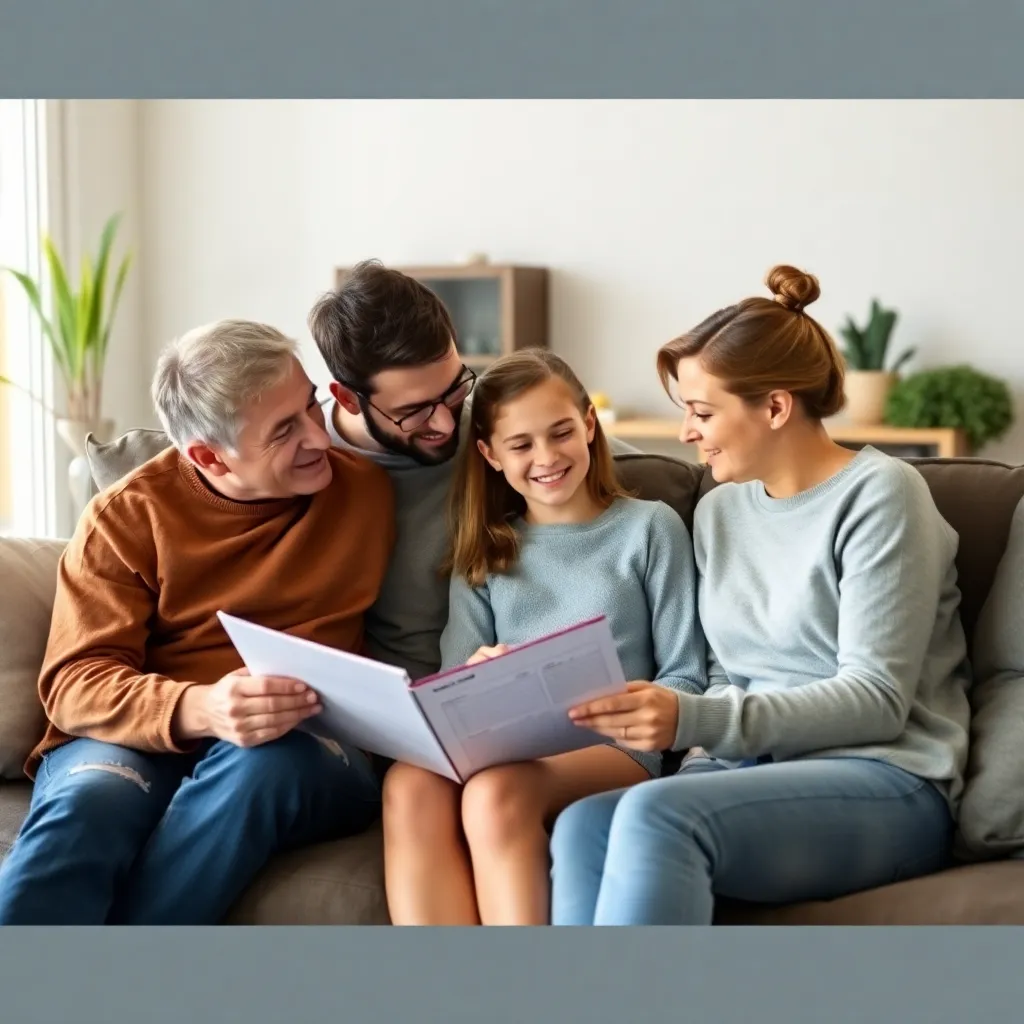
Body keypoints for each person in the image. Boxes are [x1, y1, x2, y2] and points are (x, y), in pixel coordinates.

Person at [548, 265, 974, 926]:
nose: (687, 432)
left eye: (702, 412)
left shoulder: (881, 495)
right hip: (750, 771)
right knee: (585, 825)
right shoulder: (720, 512)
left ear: (775, 407)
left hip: (886, 778)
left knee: (658, 815)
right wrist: (698, 762)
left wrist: (690, 720)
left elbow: (877, 700)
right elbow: (728, 675)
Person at [0, 320, 395, 925]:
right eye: (284, 430)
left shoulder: (364, 490)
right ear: (209, 456)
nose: (319, 437)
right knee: (91, 799)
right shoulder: (127, 516)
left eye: (311, 405)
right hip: (137, 740)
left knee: (263, 765)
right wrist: (203, 707)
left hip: (303, 750)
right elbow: (74, 684)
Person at [381, 349, 709, 925]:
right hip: (506, 743)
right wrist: (478, 674)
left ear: (589, 425)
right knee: (409, 784)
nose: (547, 457)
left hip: (615, 747)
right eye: (521, 445)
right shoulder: (485, 551)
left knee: (494, 793)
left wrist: (631, 704)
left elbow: (685, 672)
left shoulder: (649, 528)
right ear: (490, 455)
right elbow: (451, 686)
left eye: (561, 433)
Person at [307, 259, 637, 684]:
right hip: (379, 699)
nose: (448, 424)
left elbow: (606, 459)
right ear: (348, 399)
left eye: (453, 390)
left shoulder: (490, 420)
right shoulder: (310, 464)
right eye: (414, 411)